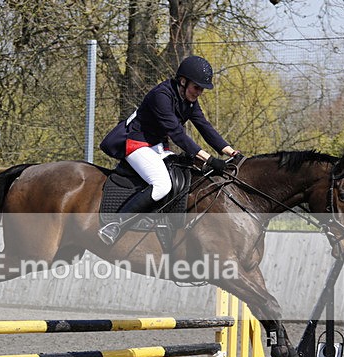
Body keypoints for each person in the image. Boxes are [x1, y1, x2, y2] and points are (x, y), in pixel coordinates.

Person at [98, 55, 241, 245]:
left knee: (184, 174)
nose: (199, 92)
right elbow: (177, 134)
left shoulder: (189, 101)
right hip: (136, 143)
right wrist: (209, 159)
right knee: (162, 184)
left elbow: (205, 127)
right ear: (183, 81)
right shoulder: (161, 96)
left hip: (156, 147)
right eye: (196, 87)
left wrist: (232, 152)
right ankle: (115, 224)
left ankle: (162, 221)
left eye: (202, 89)